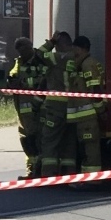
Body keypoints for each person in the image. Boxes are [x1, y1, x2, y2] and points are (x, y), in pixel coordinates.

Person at [8, 36, 49, 178]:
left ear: (31, 47)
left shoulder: (41, 60)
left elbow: (45, 81)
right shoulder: (19, 63)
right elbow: (12, 77)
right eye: (20, 51)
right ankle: (31, 171)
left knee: (39, 140)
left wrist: (25, 83)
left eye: (25, 49)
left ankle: (41, 171)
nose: (22, 53)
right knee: (27, 142)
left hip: (39, 109)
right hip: (23, 113)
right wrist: (12, 81)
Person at [66, 35, 107, 174]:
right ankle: (86, 177)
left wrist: (101, 110)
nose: (72, 51)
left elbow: (95, 90)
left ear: (81, 48)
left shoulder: (88, 64)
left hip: (88, 116)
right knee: (85, 148)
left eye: (74, 48)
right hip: (83, 117)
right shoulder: (81, 64)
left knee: (91, 149)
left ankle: (92, 179)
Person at [36, 31, 73, 177]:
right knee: (69, 142)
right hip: (72, 107)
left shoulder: (57, 57)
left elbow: (38, 54)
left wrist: (51, 42)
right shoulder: (76, 57)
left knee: (49, 140)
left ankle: (49, 174)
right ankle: (68, 172)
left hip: (56, 107)